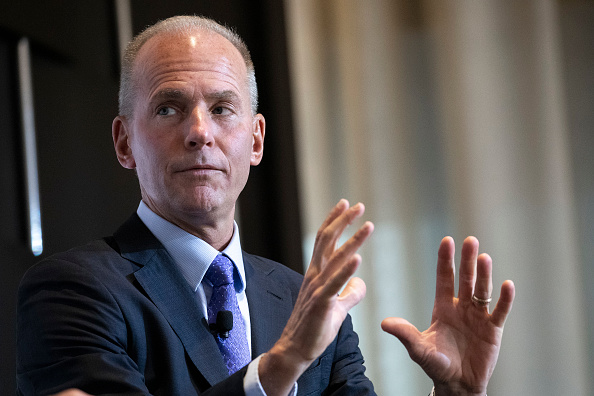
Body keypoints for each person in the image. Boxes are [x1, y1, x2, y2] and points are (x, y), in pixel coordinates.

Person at [16, 16, 515, 396]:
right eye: (168, 107)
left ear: (255, 141)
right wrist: (276, 369)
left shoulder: (307, 301)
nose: (198, 133)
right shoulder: (72, 291)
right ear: (124, 143)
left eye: (221, 108)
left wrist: (452, 394)